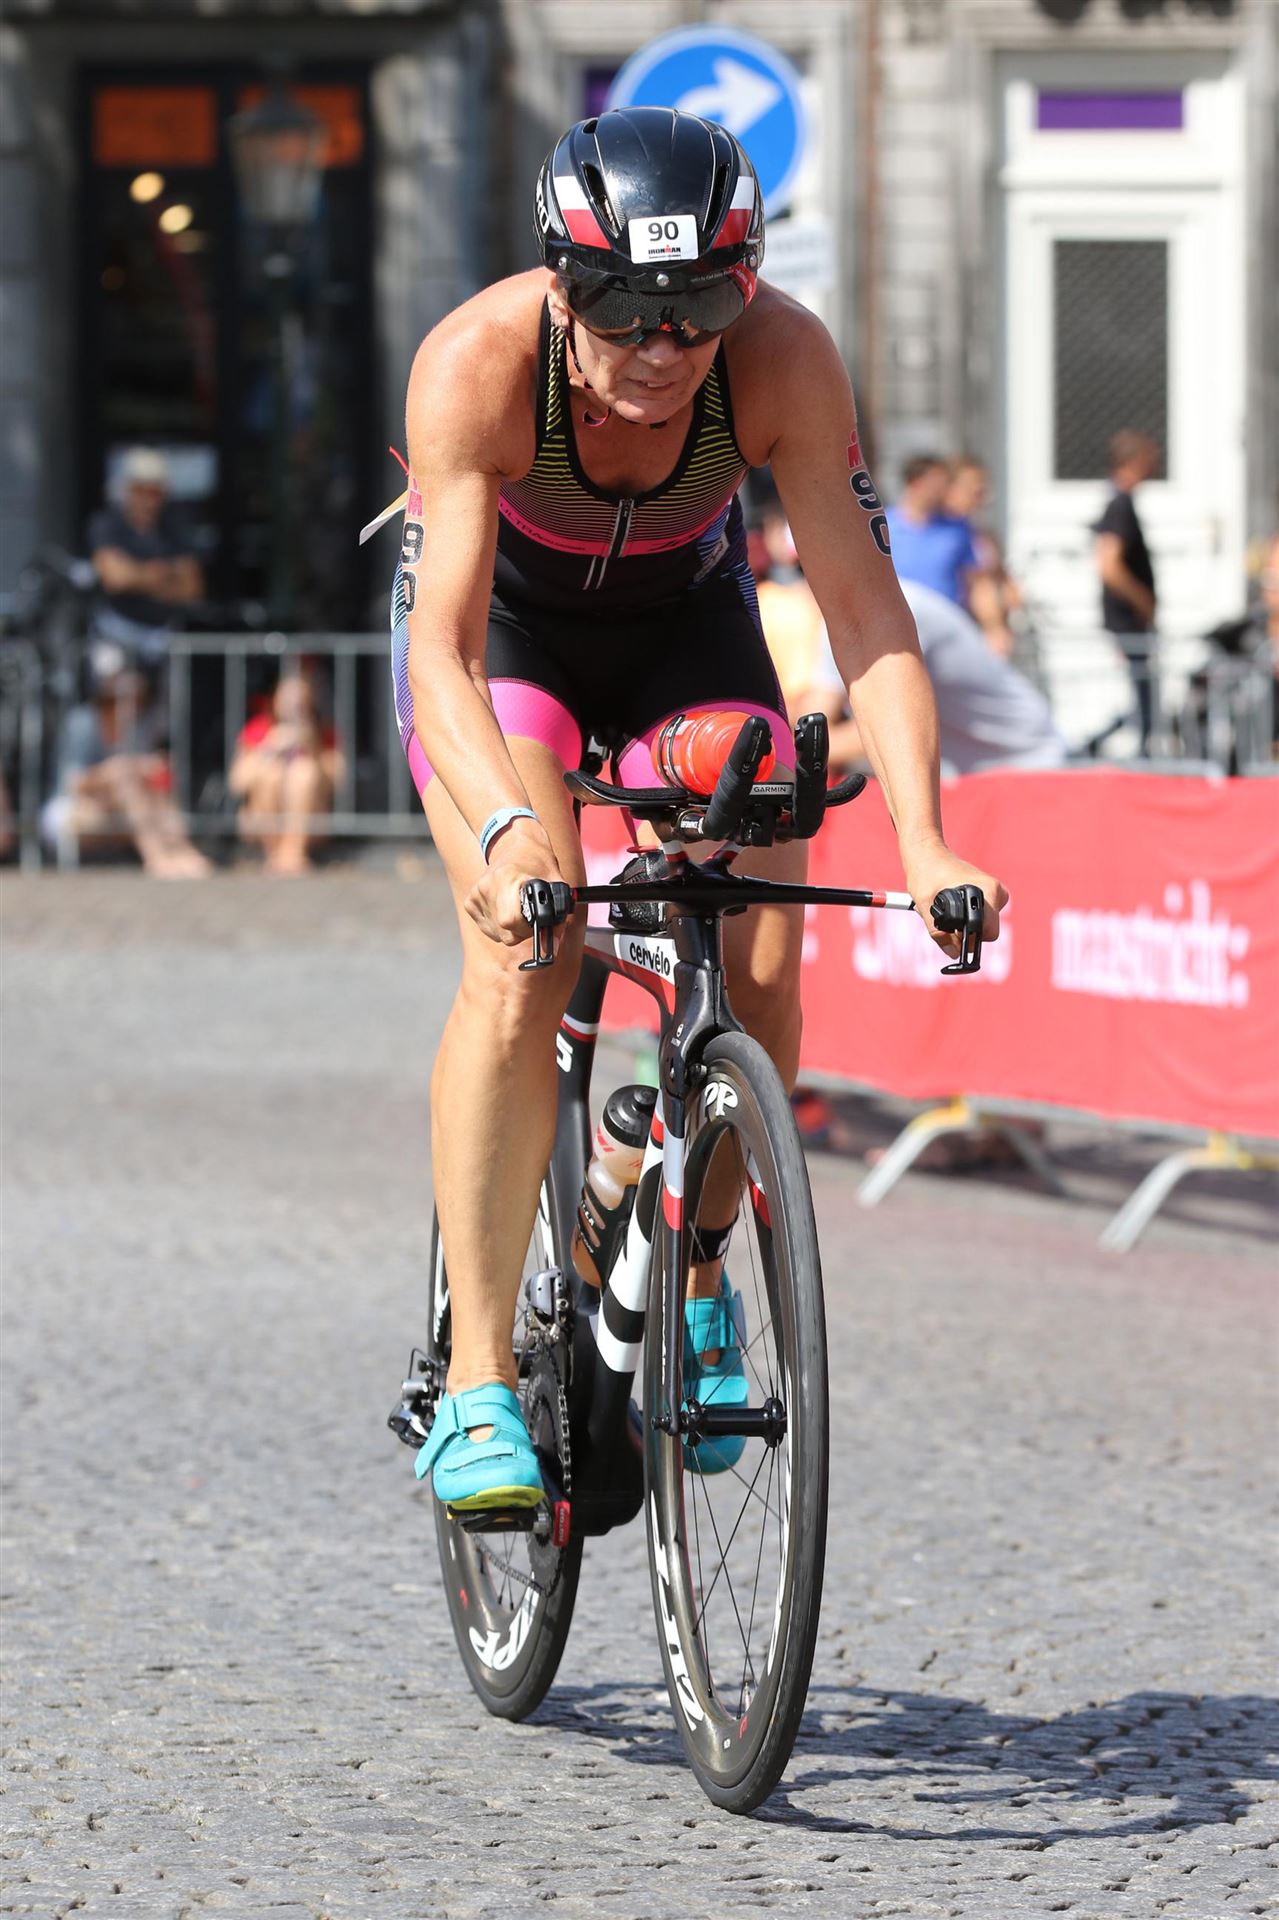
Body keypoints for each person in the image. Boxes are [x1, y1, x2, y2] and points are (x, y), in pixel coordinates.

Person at [392, 107, 1006, 1512]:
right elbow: (442, 654)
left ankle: (701, 1264)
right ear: (563, 285)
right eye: (621, 307)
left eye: (699, 308)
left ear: (744, 289)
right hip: (508, 647)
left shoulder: (783, 357)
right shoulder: (478, 363)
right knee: (526, 947)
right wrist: (505, 835)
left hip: (685, 629)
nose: (662, 348)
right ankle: (478, 1376)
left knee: (764, 946)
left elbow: (867, 614)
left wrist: (924, 840)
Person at [798, 580, 1067, 778]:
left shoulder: (893, 611)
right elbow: (814, 716)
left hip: (1029, 762)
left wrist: (789, 756)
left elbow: (886, 731)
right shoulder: (843, 618)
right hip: (974, 774)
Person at [42, 656, 212, 877]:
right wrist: (119, 769)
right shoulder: (84, 723)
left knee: (150, 783)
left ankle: (180, 849)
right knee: (124, 777)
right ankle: (156, 855)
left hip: (121, 808)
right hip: (70, 811)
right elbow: (73, 783)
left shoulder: (138, 726)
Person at [88, 447, 204, 685]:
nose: (148, 499)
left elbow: (192, 588)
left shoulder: (173, 529)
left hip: (161, 638)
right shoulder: (108, 524)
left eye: (155, 491)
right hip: (115, 634)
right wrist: (164, 573)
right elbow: (115, 579)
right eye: (140, 490)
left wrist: (136, 574)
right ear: (128, 490)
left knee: (164, 704)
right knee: (115, 696)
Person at [228, 669, 345, 875]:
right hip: (259, 818)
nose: (293, 704)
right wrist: (269, 748)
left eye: (300, 698)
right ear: (275, 699)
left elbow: (339, 780)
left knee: (304, 772)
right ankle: (276, 853)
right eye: (287, 697)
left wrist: (313, 749)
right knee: (270, 774)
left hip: (313, 818)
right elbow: (237, 783)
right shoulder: (259, 729)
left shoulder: (323, 734)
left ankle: (293, 852)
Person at [1092, 430, 1159, 756]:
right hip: (1127, 621)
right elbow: (1109, 565)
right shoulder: (1119, 505)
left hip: (1129, 620)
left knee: (1143, 696)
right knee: (1140, 698)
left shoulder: (1120, 502)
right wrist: (1141, 600)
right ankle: (1092, 746)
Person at [943, 458, 1022, 659]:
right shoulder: (946, 535)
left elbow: (998, 576)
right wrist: (994, 628)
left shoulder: (981, 533)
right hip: (958, 630)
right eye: (974, 488)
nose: (983, 495)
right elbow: (980, 585)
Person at [883, 454, 979, 609]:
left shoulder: (957, 529)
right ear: (915, 482)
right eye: (935, 483)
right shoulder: (883, 526)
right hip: (898, 615)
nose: (942, 490)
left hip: (946, 617)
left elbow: (974, 582)